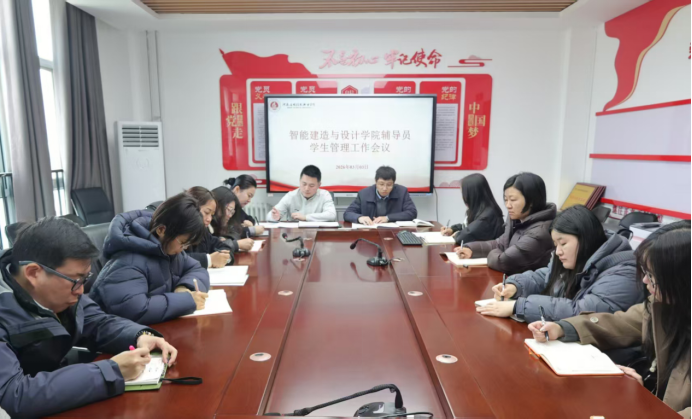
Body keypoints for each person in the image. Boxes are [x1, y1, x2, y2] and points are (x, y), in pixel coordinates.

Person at [0, 217, 178, 418]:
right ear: (33, 273)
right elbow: (13, 396)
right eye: (75, 281)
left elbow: (98, 322)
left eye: (85, 279)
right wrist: (111, 371)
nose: (81, 291)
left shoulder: (62, 293)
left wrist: (140, 335)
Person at [529, 221, 691, 418]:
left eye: (652, 275)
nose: (644, 280)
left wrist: (650, 404)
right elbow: (622, 323)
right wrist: (563, 328)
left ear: (682, 278)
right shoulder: (662, 303)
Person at [477, 205, 644, 322]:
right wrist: (515, 286)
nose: (558, 252)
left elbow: (582, 311)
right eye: (556, 245)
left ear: (586, 239)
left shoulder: (624, 273)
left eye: (563, 243)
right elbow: (546, 276)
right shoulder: (579, 257)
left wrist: (519, 306)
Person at [90, 193, 211, 325]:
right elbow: (135, 309)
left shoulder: (169, 249)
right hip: (112, 332)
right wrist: (186, 301)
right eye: (182, 243)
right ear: (161, 230)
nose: (184, 249)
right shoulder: (129, 260)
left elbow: (196, 268)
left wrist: (183, 287)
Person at [456, 173, 557, 275]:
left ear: (531, 201)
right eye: (506, 200)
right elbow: (500, 243)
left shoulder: (539, 232)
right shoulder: (517, 220)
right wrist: (471, 249)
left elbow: (504, 262)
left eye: (513, 200)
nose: (508, 205)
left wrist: (494, 253)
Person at [441, 173, 505, 245]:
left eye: (463, 194)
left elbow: (464, 237)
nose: (463, 198)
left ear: (472, 195)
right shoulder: (481, 209)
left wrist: (457, 234)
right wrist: (452, 229)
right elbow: (468, 227)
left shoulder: (488, 216)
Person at [343, 166, 418, 225]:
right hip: (370, 232)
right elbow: (347, 213)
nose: (384, 188)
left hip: (394, 232)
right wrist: (359, 218)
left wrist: (388, 218)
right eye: (381, 184)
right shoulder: (364, 194)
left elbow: (412, 212)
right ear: (376, 182)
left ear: (394, 183)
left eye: (389, 185)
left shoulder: (402, 192)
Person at [186, 187, 235, 269]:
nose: (209, 219)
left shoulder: (202, 231)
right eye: (206, 212)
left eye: (212, 215)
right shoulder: (179, 230)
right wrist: (209, 260)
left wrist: (225, 258)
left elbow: (222, 246)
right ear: (192, 208)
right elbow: (177, 259)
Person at [268, 165, 337, 222]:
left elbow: (331, 215)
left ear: (319, 185)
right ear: (300, 181)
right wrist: (274, 217)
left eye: (311, 185)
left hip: (318, 232)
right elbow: (270, 216)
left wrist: (306, 217)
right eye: (304, 184)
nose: (307, 188)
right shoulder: (291, 196)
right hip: (295, 233)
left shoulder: (324, 195)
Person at [212, 187, 257, 252]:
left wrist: (226, 240)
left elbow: (235, 231)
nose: (230, 215)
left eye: (232, 212)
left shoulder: (226, 220)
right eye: (229, 210)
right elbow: (211, 248)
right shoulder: (206, 223)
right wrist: (236, 244)